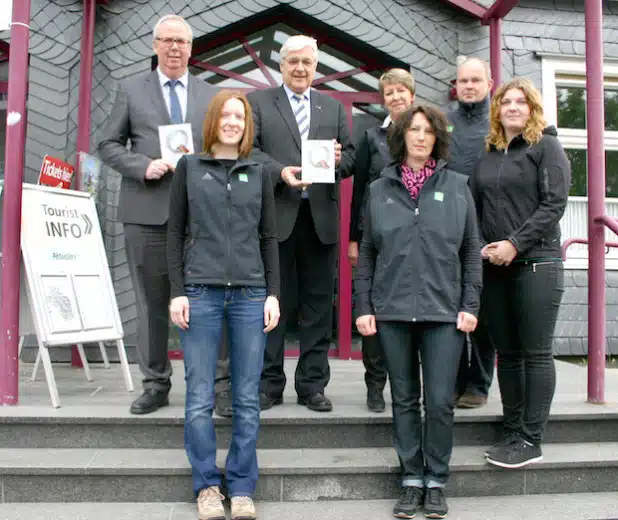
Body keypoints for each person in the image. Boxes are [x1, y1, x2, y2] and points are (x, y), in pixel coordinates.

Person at [97, 15, 230, 416]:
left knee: (211, 301)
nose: (175, 48)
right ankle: (155, 384)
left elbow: (225, 144)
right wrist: (142, 165)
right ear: (155, 45)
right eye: (167, 40)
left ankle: (219, 385)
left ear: (192, 48)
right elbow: (105, 143)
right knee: (152, 303)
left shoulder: (211, 95)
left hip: (203, 216)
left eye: (182, 41)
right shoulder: (131, 90)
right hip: (147, 210)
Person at [355, 105, 482, 519]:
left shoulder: (458, 185)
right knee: (404, 399)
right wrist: (363, 306)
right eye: (414, 129)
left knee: (441, 401)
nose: (421, 137)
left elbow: (470, 252)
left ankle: (437, 480)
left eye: (428, 131)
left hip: (444, 312)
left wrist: (470, 304)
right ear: (402, 136)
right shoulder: (378, 189)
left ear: (436, 138)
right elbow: (369, 253)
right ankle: (412, 479)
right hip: (391, 310)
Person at [167, 90, 280, 520]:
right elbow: (175, 231)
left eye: (240, 115)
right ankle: (207, 487)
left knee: (247, 396)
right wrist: (178, 289)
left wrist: (273, 294)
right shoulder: (189, 167)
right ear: (213, 120)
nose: (233, 121)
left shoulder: (260, 170)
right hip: (201, 292)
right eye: (226, 114)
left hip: (251, 293)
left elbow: (269, 236)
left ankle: (242, 486)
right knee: (199, 396)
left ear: (246, 124)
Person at [248, 35, 354, 413]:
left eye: (306, 62)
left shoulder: (333, 107)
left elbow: (352, 158)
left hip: (321, 220)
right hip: (276, 218)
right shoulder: (258, 103)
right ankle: (270, 384)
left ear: (316, 67)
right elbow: (250, 150)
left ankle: (312, 385)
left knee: (318, 306)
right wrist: (281, 172)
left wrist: (338, 160)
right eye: (292, 61)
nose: (299, 68)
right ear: (281, 65)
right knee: (273, 305)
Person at [471, 77, 570, 469]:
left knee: (536, 353)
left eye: (520, 102)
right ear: (497, 110)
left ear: (532, 108)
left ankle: (532, 437)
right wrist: (482, 246)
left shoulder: (546, 147)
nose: (512, 107)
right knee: (507, 354)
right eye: (505, 102)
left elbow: (554, 204)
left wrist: (514, 243)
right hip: (495, 268)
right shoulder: (489, 154)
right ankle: (513, 429)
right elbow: (474, 209)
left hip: (537, 264)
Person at [348, 68, 416, 413]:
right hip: (377, 237)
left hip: (417, 241)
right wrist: (353, 239)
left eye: (401, 90)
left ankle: (407, 386)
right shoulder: (371, 137)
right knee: (372, 310)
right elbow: (358, 190)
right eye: (389, 92)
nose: (395, 97)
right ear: (383, 98)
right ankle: (375, 385)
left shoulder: (425, 134)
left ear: (412, 95)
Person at [448, 57, 496, 409]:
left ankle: (478, 384)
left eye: (475, 80)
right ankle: (452, 380)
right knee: (449, 310)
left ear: (489, 83)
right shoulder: (444, 121)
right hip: (448, 227)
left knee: (481, 311)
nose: (468, 86)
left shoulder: (499, 123)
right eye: (463, 81)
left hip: (489, 228)